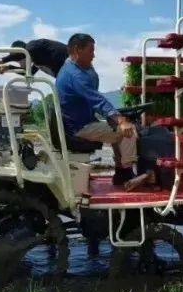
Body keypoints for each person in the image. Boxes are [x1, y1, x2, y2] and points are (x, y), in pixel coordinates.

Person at [55, 33, 152, 191]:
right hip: (80, 127)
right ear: (77, 50)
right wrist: (121, 120)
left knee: (114, 129)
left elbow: (94, 90)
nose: (94, 55)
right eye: (91, 51)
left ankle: (121, 172)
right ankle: (128, 173)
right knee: (129, 130)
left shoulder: (72, 67)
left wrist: (114, 118)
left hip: (79, 123)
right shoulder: (75, 75)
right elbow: (97, 100)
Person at [0, 38, 68, 77]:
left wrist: (2, 60)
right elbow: (29, 73)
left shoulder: (34, 45)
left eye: (18, 59)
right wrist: (8, 67)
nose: (18, 63)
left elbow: (27, 51)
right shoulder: (38, 61)